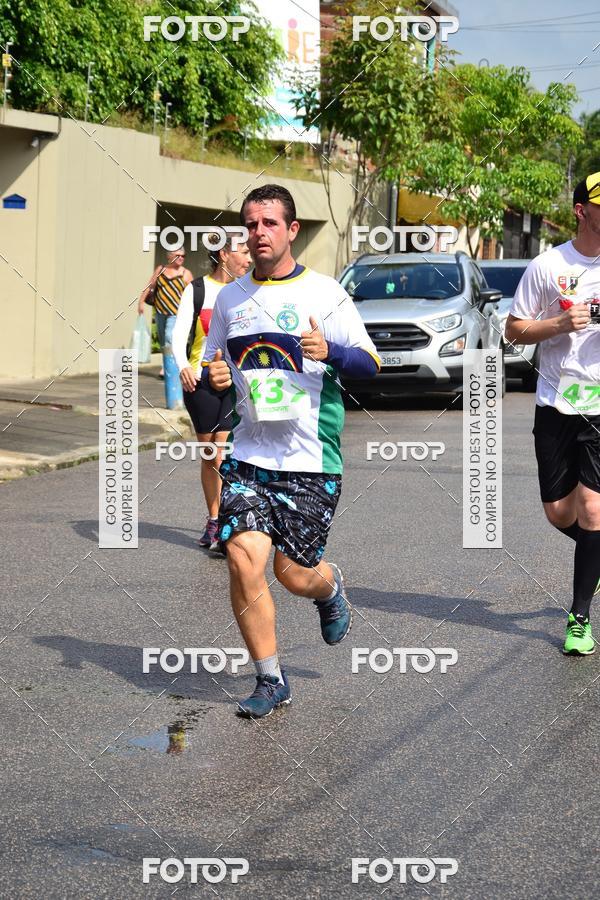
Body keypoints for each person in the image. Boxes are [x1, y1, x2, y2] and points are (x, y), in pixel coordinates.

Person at [203, 184, 380, 717]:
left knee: (292, 573)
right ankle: (270, 679)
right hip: (249, 456)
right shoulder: (230, 298)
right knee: (243, 560)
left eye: (270, 223)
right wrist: (213, 378)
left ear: (292, 230)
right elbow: (215, 366)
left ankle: (328, 589)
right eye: (251, 224)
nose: (259, 233)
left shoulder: (325, 293)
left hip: (310, 460)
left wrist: (332, 351)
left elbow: (370, 363)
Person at [506, 171, 600, 656]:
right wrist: (560, 323)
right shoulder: (547, 266)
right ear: (582, 211)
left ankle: (579, 618)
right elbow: (513, 330)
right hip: (556, 403)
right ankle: (595, 555)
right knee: (559, 511)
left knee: (592, 508)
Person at [172, 235, 252, 550]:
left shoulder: (247, 291)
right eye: (243, 252)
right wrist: (183, 367)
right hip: (200, 381)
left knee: (224, 452)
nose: (249, 259)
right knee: (210, 456)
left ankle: (230, 522)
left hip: (235, 382)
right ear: (224, 254)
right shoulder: (197, 290)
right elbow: (179, 334)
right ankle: (214, 519)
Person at [138, 248, 193, 375]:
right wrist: (141, 301)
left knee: (169, 337)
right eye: (178, 255)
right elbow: (150, 285)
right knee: (163, 342)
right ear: (169, 256)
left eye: (183, 256)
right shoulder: (161, 270)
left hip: (176, 313)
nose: (181, 258)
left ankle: (167, 368)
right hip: (160, 312)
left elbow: (193, 293)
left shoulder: (186, 273)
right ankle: (168, 364)